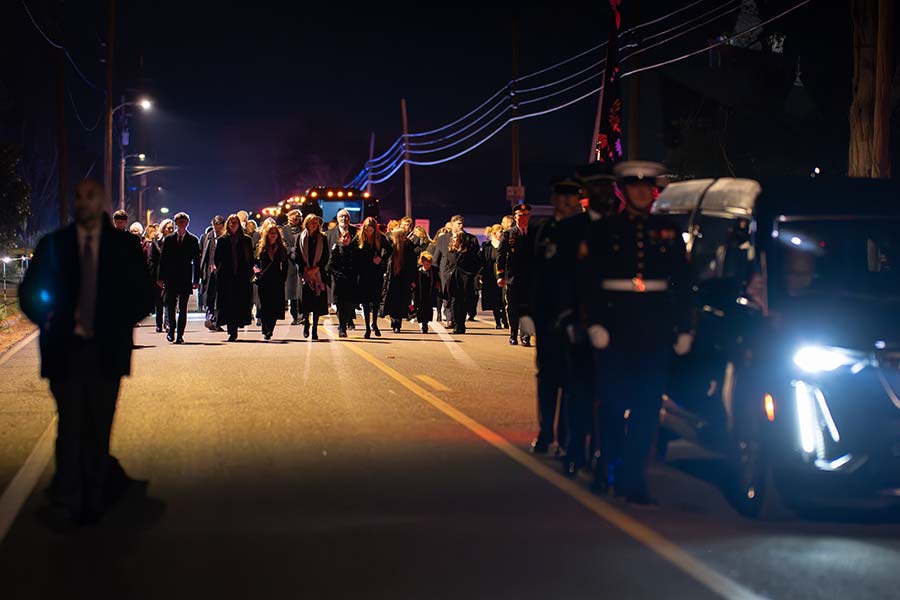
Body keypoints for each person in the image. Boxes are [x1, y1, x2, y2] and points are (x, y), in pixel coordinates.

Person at [19, 178, 152, 531]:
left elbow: (144, 293)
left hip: (106, 350)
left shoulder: (123, 247)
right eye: (78, 197)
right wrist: (47, 320)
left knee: (98, 424)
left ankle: (94, 496)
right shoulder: (54, 245)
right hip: (66, 349)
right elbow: (29, 291)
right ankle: (68, 498)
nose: (83, 202)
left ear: (103, 203)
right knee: (70, 425)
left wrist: (119, 322)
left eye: (90, 197)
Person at [580, 161, 692, 507]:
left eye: (647, 187)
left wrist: (684, 326)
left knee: (646, 409)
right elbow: (588, 280)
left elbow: (683, 284)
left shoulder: (668, 230)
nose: (641, 192)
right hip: (615, 327)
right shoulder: (605, 230)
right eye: (634, 187)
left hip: (655, 329)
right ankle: (607, 465)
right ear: (623, 191)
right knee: (613, 404)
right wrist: (594, 322)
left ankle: (633, 478)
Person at [527, 178, 584, 464]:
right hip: (546, 315)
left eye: (571, 195)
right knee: (547, 376)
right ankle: (546, 432)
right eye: (561, 194)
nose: (565, 200)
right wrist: (524, 313)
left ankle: (566, 438)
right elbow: (528, 270)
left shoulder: (586, 229)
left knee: (573, 380)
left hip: (576, 313)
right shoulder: (541, 229)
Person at [432, 215, 481, 334]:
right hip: (449, 274)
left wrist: (472, 274)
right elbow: (436, 258)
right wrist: (437, 276)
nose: (461, 226)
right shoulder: (443, 239)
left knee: (463, 300)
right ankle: (454, 321)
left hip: (464, 274)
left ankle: (460, 324)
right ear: (452, 224)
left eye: (462, 223)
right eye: (458, 223)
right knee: (452, 300)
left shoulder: (471, 239)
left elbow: (477, 259)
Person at [157, 212, 201, 344]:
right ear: (176, 223)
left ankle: (180, 334)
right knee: (170, 306)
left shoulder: (193, 240)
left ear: (187, 223)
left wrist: (196, 280)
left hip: (184, 277)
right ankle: (171, 330)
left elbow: (196, 261)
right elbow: (163, 259)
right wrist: (160, 277)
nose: (182, 223)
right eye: (179, 221)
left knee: (183, 307)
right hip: (171, 278)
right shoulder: (169, 239)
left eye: (184, 221)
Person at [497, 203, 534, 346]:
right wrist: (500, 276)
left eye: (526, 216)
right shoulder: (508, 234)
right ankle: (513, 333)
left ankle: (526, 336)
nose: (523, 218)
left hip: (530, 278)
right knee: (513, 307)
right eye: (520, 216)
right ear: (515, 217)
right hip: (513, 278)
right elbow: (501, 256)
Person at [214, 214, 254, 341]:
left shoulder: (246, 240)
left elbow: (250, 259)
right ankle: (232, 331)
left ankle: (236, 325)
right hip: (227, 278)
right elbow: (217, 259)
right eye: (231, 223)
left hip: (241, 277)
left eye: (235, 222)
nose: (233, 225)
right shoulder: (222, 240)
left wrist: (248, 272)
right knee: (229, 303)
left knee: (239, 303)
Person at [356, 216, 392, 338]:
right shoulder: (359, 236)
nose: (369, 232)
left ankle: (375, 323)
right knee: (365, 302)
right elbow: (353, 250)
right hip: (363, 271)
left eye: (371, 230)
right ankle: (367, 327)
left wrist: (381, 258)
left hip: (376, 272)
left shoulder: (380, 237)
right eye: (367, 230)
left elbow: (390, 249)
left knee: (375, 300)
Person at [295, 214, 329, 340]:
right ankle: (306, 324)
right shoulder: (300, 237)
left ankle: (314, 328)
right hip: (305, 275)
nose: (314, 224)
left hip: (318, 275)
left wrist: (316, 269)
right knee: (306, 303)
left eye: (316, 222)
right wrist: (305, 269)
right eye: (311, 222)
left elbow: (326, 256)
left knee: (316, 304)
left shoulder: (322, 238)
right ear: (306, 223)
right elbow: (296, 255)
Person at [254, 222, 289, 340]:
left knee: (274, 306)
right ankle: (264, 328)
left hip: (276, 281)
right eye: (270, 233)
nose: (273, 235)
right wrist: (257, 274)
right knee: (264, 306)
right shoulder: (261, 247)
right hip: (263, 280)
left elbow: (285, 265)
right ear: (266, 234)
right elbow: (254, 263)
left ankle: (270, 329)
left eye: (275, 233)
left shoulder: (281, 248)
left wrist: (283, 278)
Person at [381, 228, 416, 333]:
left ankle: (397, 323)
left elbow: (413, 265)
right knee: (392, 301)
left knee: (401, 302)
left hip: (403, 279)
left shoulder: (409, 248)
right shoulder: (390, 248)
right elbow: (384, 260)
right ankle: (394, 321)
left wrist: (413, 280)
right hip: (392, 279)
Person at [326, 228, 358, 337]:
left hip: (351, 281)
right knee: (340, 305)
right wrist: (336, 274)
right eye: (343, 237)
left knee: (349, 305)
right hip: (339, 281)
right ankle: (342, 327)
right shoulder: (336, 249)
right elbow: (329, 265)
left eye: (348, 237)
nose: (346, 239)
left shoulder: (354, 249)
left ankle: (346, 323)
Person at [149, 219, 174, 332]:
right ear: (163, 228)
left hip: (170, 273)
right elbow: (152, 259)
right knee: (159, 301)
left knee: (169, 300)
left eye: (172, 228)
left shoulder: (175, 240)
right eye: (169, 228)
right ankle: (158, 323)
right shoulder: (156, 241)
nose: (171, 230)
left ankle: (168, 322)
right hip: (158, 273)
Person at [481, 224, 507, 329]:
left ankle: (505, 319)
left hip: (503, 275)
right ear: (494, 233)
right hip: (491, 277)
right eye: (500, 231)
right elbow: (483, 261)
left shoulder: (505, 245)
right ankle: (497, 321)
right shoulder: (487, 246)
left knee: (504, 299)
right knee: (495, 300)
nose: (502, 233)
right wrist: (481, 275)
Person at [280, 210, 304, 325]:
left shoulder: (303, 229)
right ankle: (295, 315)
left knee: (302, 290)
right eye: (290, 218)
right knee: (292, 291)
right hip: (289, 264)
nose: (291, 221)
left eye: (294, 219)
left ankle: (303, 315)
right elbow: (282, 244)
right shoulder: (284, 230)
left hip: (302, 262)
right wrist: (289, 250)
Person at [199, 215, 225, 312]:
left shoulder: (226, 238)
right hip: (209, 272)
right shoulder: (206, 238)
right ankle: (211, 317)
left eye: (219, 227)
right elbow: (201, 256)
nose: (217, 229)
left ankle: (217, 320)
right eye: (215, 226)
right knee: (209, 296)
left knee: (220, 296)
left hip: (223, 272)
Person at [413, 251, 440, 333]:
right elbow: (413, 280)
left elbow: (437, 280)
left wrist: (437, 286)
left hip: (429, 293)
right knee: (420, 309)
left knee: (428, 309)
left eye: (429, 262)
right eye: (425, 262)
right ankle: (422, 323)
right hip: (420, 293)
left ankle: (425, 324)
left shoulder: (434, 271)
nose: (427, 264)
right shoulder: (418, 271)